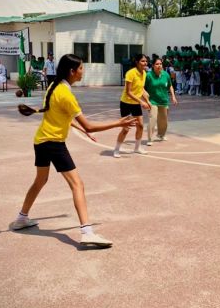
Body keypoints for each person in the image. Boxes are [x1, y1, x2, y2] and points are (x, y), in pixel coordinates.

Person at [10, 54, 136, 247]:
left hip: (41, 140)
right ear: (72, 71)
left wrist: (82, 131)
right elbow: (90, 126)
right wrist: (118, 122)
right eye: (81, 69)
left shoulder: (54, 86)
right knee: (78, 185)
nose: (82, 72)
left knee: (40, 180)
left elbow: (61, 116)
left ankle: (21, 218)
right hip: (53, 143)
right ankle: (87, 231)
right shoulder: (67, 95)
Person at [113, 54, 151, 158]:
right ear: (137, 62)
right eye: (143, 61)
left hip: (136, 104)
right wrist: (141, 102)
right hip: (126, 103)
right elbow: (128, 92)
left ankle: (137, 148)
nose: (145, 63)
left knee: (140, 126)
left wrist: (147, 100)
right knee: (126, 129)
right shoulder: (130, 73)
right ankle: (116, 149)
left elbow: (141, 89)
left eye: (146, 61)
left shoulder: (144, 73)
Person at [144, 58, 178, 144]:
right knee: (153, 119)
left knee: (164, 120)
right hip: (153, 101)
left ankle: (161, 135)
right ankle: (149, 138)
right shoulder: (149, 75)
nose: (159, 65)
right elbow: (143, 88)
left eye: (160, 64)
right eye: (157, 64)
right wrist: (145, 100)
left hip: (163, 101)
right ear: (153, 65)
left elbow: (170, 85)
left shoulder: (166, 74)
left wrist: (173, 96)